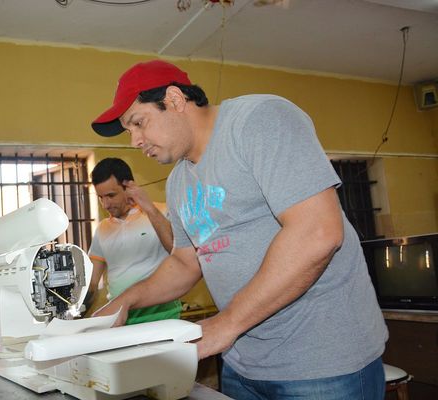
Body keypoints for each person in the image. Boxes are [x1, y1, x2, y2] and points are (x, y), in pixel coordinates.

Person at [90, 60, 388, 400]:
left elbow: (317, 232)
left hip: (321, 364)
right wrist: (126, 301)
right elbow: (187, 263)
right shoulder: (179, 182)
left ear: (174, 99)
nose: (136, 140)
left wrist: (226, 324)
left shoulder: (259, 121)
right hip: (242, 363)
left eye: (138, 123)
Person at [87, 157, 182, 325]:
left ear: (129, 187)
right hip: (122, 321)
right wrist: (77, 316)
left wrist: (148, 208)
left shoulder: (161, 211)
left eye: (111, 195)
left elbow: (177, 251)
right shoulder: (102, 229)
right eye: (101, 197)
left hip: (163, 318)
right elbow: (92, 283)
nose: (105, 204)